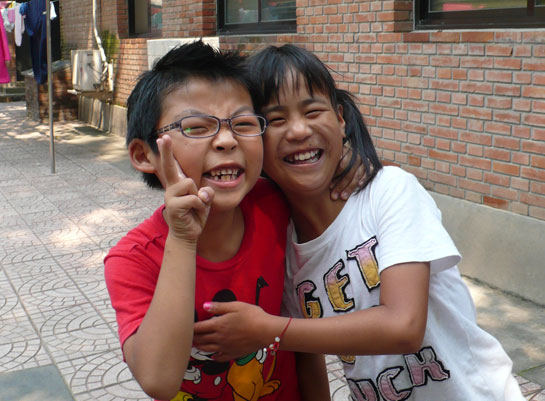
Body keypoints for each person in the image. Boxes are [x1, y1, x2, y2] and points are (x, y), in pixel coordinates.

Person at [193, 44, 526, 400]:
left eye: (312, 111)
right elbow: (306, 355)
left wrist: (268, 330)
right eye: (275, 120)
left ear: (340, 119)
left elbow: (403, 326)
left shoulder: (390, 192)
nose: (298, 130)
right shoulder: (281, 242)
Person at [104, 41, 360, 401]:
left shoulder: (276, 205)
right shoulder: (132, 259)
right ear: (144, 154)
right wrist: (182, 238)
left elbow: (300, 339)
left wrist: (351, 163)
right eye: (196, 127)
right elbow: (158, 380)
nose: (227, 140)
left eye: (243, 124)